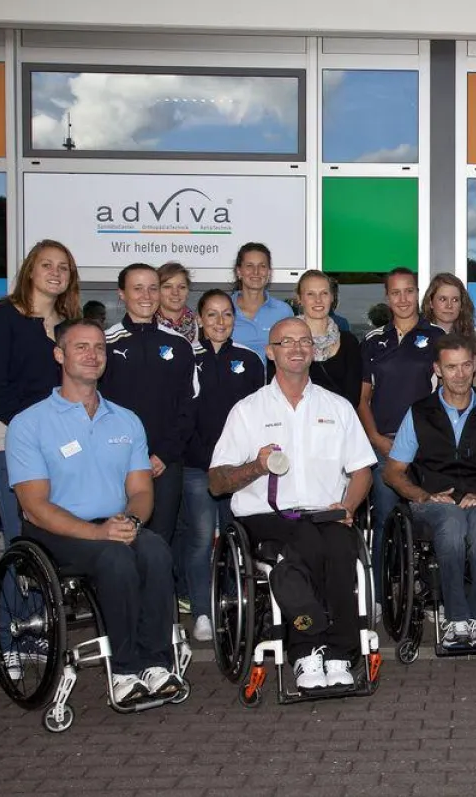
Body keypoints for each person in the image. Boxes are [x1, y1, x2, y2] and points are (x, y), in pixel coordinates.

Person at [6, 319, 181, 706]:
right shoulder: (29, 423)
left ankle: (157, 665)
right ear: (59, 354)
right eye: (81, 347)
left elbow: (140, 490)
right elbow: (34, 507)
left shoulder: (125, 420)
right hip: (55, 532)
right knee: (115, 557)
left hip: (113, 525)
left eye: (99, 347)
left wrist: (131, 520)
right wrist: (100, 534)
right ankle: (124, 670)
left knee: (155, 549)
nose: (92, 355)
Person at [209, 317, 376, 690]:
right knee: (312, 541)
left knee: (336, 542)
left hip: (326, 514)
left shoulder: (338, 407)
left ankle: (339, 654)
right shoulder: (247, 410)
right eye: (287, 341)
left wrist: (348, 506)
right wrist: (256, 465)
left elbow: (362, 470)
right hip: (265, 518)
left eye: (305, 341)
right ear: (271, 352)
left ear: (314, 352)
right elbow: (217, 481)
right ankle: (306, 650)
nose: (298, 348)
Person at [383, 334, 476, 646]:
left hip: (475, 498)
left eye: (465, 365)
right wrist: (422, 495)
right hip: (430, 501)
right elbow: (393, 471)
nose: (459, 374)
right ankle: (455, 618)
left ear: (474, 367)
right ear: (438, 370)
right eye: (451, 367)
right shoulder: (419, 413)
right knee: (451, 521)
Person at [0, 240, 82, 555]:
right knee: (23, 541)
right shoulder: (1, 316)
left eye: (63, 267)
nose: (55, 272)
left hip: (65, 443)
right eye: (47, 265)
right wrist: (35, 431)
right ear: (30, 272)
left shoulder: (71, 325)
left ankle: (48, 607)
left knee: (58, 538)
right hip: (14, 438)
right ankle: (15, 607)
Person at [181, 289, 265, 641]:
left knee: (238, 538)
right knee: (201, 540)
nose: (219, 322)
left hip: (237, 471)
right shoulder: (186, 358)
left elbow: (260, 416)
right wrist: (203, 454)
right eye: (212, 315)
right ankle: (202, 611)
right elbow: (181, 414)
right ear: (199, 319)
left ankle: (233, 604)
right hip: (197, 466)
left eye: (227, 314)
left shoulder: (249, 361)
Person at [101, 264, 199, 557]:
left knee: (158, 545)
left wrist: (163, 455)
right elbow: (96, 408)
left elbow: (189, 406)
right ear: (122, 294)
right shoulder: (105, 344)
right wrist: (126, 458)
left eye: (153, 288)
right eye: (137, 288)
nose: (147, 295)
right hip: (117, 465)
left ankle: (156, 604)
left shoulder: (180, 345)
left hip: (164, 465)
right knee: (118, 545)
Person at [358, 267, 445, 592]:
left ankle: (429, 589)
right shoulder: (372, 341)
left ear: (417, 293)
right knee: (385, 520)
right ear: (387, 297)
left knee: (431, 520)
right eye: (396, 292)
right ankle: (381, 594)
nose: (403, 298)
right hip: (387, 447)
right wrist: (377, 440)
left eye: (409, 291)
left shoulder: (437, 338)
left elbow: (448, 394)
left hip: (427, 448)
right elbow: (362, 399)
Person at [297, 270, 362, 407]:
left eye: (324, 293)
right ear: (299, 299)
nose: (318, 300)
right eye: (310, 294)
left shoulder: (349, 343)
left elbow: (353, 398)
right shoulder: (286, 342)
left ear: (332, 297)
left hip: (338, 423)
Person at [422, 273, 476, 393]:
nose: (449, 305)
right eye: (443, 299)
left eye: (455, 300)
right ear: (431, 303)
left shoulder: (472, 342)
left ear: (462, 305)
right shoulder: (417, 339)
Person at [230, 242, 293, 365]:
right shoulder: (224, 310)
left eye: (262, 266)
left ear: (269, 272)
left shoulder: (283, 312)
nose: (256, 272)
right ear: (239, 272)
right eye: (249, 266)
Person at [156, 261, 199, 344]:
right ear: (157, 290)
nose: (175, 292)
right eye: (167, 287)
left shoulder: (201, 325)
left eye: (181, 287)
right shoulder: (146, 326)